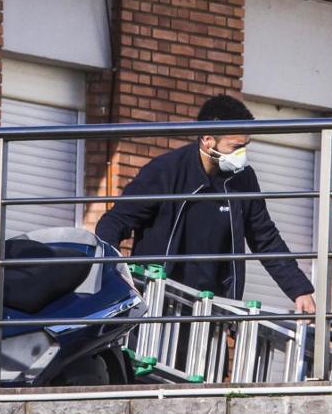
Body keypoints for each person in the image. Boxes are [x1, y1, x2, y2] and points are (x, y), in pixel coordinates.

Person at [95, 95, 316, 313]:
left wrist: (299, 290)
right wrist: (113, 275)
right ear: (208, 140)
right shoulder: (165, 171)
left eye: (245, 146)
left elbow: (265, 237)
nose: (241, 155)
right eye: (235, 147)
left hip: (213, 307)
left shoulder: (243, 179)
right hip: (159, 304)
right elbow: (115, 221)